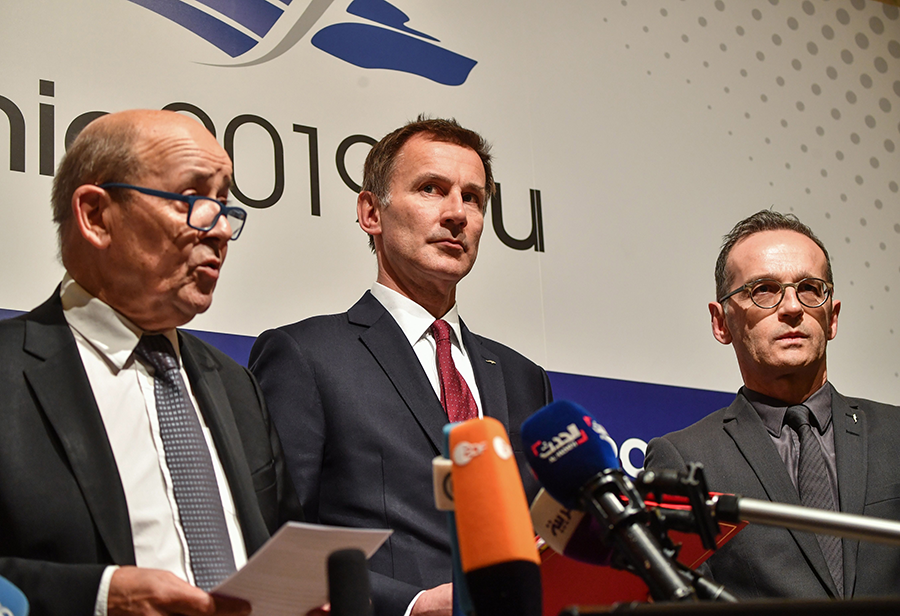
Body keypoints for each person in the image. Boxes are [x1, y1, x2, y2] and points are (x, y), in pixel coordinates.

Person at [0, 109, 303, 616]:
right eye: (193, 200)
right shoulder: (10, 371)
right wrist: (100, 599)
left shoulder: (236, 385)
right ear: (96, 215)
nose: (221, 230)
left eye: (224, 206)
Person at [249, 117, 552, 616]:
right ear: (371, 212)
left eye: (473, 198)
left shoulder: (524, 378)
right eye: (431, 189)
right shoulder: (306, 356)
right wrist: (410, 604)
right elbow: (274, 543)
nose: (457, 213)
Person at [645, 210, 900, 599]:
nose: (793, 307)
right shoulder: (684, 459)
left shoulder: (895, 433)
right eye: (763, 289)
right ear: (721, 322)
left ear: (832, 317)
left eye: (810, 288)